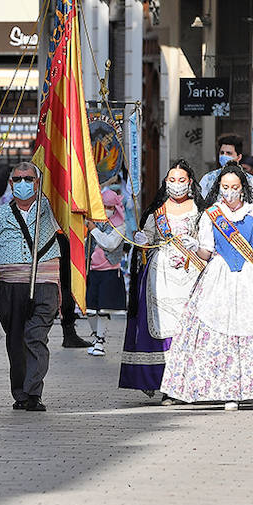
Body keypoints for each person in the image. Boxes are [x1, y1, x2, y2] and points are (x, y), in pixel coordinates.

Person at [161, 163, 253, 410]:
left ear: (243, 188)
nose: (229, 192)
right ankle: (226, 390)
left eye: (234, 187)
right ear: (219, 188)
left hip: (249, 277)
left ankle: (248, 388)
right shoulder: (211, 215)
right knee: (218, 332)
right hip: (219, 277)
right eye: (225, 187)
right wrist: (194, 247)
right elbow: (206, 252)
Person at [0, 162, 61, 411]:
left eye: (29, 178)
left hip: (44, 283)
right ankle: (21, 393)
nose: (23, 183)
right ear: (11, 184)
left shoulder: (53, 209)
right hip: (11, 288)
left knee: (36, 337)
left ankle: (34, 393)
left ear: (37, 182)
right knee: (15, 341)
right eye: (18, 179)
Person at [119, 160, 203, 399]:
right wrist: (141, 239)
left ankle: (191, 384)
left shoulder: (200, 210)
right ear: (165, 183)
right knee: (162, 331)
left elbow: (207, 241)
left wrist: (197, 245)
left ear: (190, 182)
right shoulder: (157, 212)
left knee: (187, 329)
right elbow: (147, 237)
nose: (176, 185)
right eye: (172, 180)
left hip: (192, 275)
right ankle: (165, 384)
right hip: (161, 277)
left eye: (181, 180)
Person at [82, 186, 127, 357]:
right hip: (93, 271)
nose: (107, 210)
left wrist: (93, 229)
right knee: (90, 309)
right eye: (104, 206)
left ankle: (101, 340)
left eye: (109, 207)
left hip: (109, 272)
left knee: (103, 310)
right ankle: (95, 337)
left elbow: (109, 243)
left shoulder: (120, 226)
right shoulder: (95, 222)